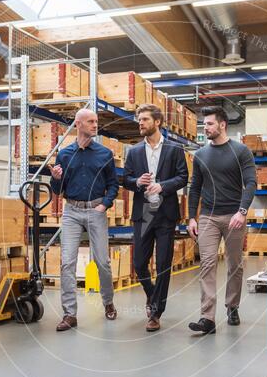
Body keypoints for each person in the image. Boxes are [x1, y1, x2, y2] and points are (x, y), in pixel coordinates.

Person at [186, 105, 256, 335]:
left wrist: (242, 211)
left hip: (234, 216)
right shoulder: (201, 155)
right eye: (204, 124)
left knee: (234, 264)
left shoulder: (241, 151)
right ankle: (207, 318)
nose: (205, 128)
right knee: (207, 264)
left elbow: (251, 183)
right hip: (208, 217)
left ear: (222, 125)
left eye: (209, 124)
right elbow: (194, 187)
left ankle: (232, 306)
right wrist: (191, 218)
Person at [50, 108, 119, 331]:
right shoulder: (64, 154)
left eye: (96, 121)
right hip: (71, 211)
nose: (94, 125)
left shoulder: (105, 154)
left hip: (95, 210)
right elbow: (58, 190)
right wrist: (55, 179)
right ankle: (70, 314)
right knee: (67, 262)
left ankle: (108, 302)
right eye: (90, 121)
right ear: (78, 124)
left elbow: (113, 185)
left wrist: (104, 205)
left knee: (102, 262)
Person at [124, 104, 189, 332]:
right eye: (139, 120)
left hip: (165, 214)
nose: (140, 123)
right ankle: (153, 295)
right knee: (139, 263)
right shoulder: (133, 152)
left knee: (163, 264)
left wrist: (162, 186)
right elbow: (126, 179)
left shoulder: (174, 149)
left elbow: (183, 177)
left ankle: (155, 312)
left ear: (157, 122)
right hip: (143, 214)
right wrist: (136, 183)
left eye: (144, 119)